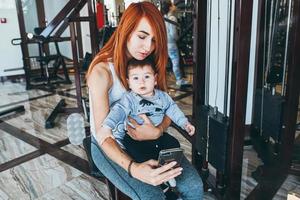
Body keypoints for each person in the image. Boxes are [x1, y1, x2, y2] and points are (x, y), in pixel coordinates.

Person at [86, 2, 203, 199]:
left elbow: (165, 106)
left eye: (154, 40)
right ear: (125, 30)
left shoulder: (151, 63)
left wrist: (158, 131)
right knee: (154, 197)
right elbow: (103, 135)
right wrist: (134, 169)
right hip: (111, 146)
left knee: (194, 187)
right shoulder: (101, 72)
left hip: (153, 141)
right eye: (142, 36)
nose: (148, 47)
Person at [100, 57, 195, 163]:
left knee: (174, 144)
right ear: (129, 82)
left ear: (155, 79)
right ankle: (151, 170)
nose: (142, 82)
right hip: (135, 139)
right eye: (136, 78)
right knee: (138, 154)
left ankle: (167, 168)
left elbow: (173, 109)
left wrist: (185, 123)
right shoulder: (129, 98)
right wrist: (107, 126)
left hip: (158, 136)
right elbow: (118, 111)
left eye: (146, 76)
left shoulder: (163, 97)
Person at [161, 0, 189, 87]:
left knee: (166, 63)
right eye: (173, 5)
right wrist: (178, 38)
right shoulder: (172, 18)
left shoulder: (164, 17)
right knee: (175, 62)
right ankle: (179, 80)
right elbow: (173, 34)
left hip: (165, 44)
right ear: (170, 7)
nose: (175, 6)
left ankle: (163, 81)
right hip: (172, 44)